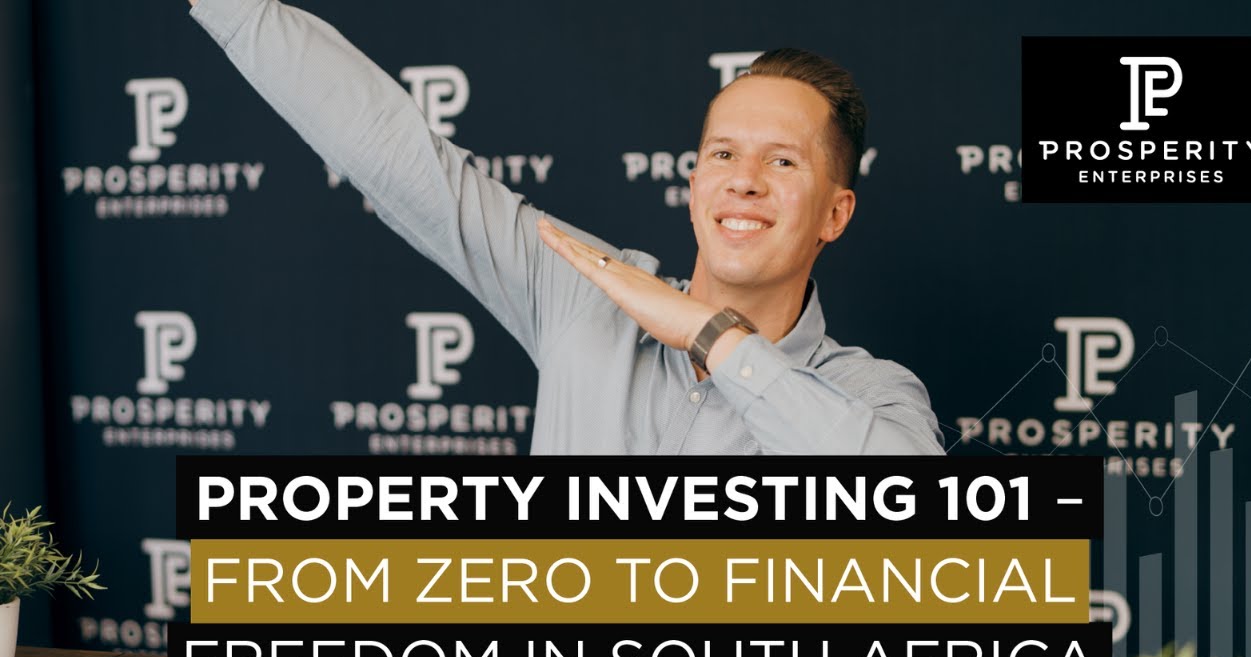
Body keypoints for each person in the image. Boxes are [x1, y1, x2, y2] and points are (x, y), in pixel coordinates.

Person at [190, 0, 945, 455]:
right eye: (723, 153)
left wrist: (710, 335)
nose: (743, 179)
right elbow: (397, 157)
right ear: (693, 186)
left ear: (835, 213)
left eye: (782, 161)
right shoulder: (587, 291)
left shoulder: (872, 395)